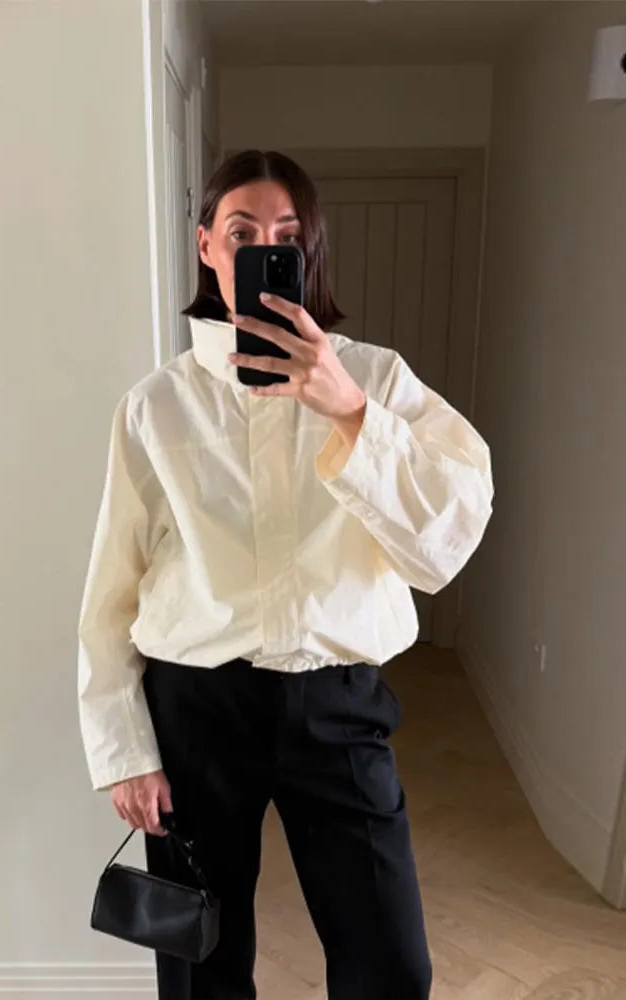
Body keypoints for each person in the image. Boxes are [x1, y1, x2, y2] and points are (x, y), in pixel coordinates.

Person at [77, 149, 494, 1000]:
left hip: (337, 705)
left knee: (390, 966)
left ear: (310, 253)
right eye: (242, 233)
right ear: (206, 245)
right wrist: (124, 750)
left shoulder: (375, 379)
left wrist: (350, 410)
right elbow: (112, 586)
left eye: (286, 237)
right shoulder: (157, 405)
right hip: (195, 707)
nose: (263, 250)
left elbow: (445, 543)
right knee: (202, 965)